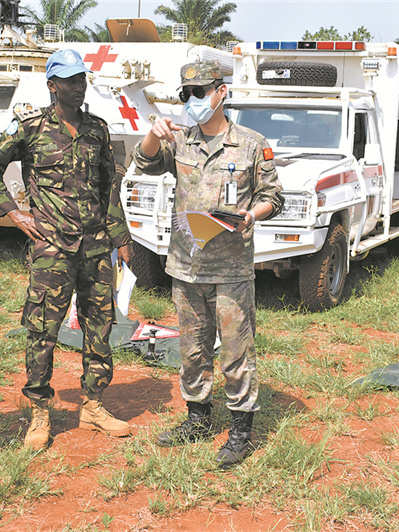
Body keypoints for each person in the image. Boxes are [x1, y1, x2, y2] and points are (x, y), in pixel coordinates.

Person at [0, 49, 133, 449]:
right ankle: (40, 414)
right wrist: (14, 213)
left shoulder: (97, 130)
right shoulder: (29, 130)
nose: (78, 86)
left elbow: (107, 187)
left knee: (100, 326)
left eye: (82, 78)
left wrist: (121, 237)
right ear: (52, 86)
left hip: (96, 248)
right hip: (52, 250)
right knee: (42, 330)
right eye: (69, 80)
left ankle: (93, 404)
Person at [132, 60, 283, 467]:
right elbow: (144, 162)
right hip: (186, 265)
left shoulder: (251, 144)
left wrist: (252, 214)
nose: (193, 101)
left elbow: (274, 197)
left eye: (200, 92)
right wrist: (152, 132)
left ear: (221, 92)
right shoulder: (180, 141)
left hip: (231, 268)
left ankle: (240, 431)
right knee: (192, 349)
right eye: (187, 94)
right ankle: (197, 419)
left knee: (236, 350)